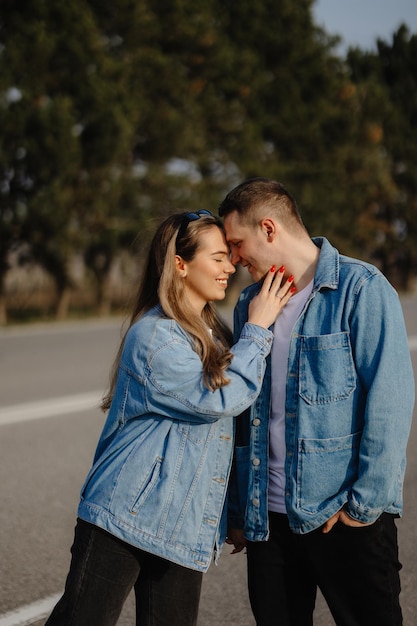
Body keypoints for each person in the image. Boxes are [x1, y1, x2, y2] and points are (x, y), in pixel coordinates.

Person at [45, 209, 295, 626]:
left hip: (185, 523)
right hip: (124, 519)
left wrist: (232, 515)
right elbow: (219, 401)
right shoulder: (157, 336)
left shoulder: (215, 334)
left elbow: (231, 436)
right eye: (217, 257)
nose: (230, 266)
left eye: (228, 257)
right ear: (180, 264)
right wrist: (260, 329)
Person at [219, 178, 415, 626]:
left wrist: (363, 508)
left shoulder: (360, 289)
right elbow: (243, 413)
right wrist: (239, 509)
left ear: (269, 229)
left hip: (343, 516)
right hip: (269, 522)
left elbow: (390, 401)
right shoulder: (250, 303)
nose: (233, 259)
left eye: (236, 243)